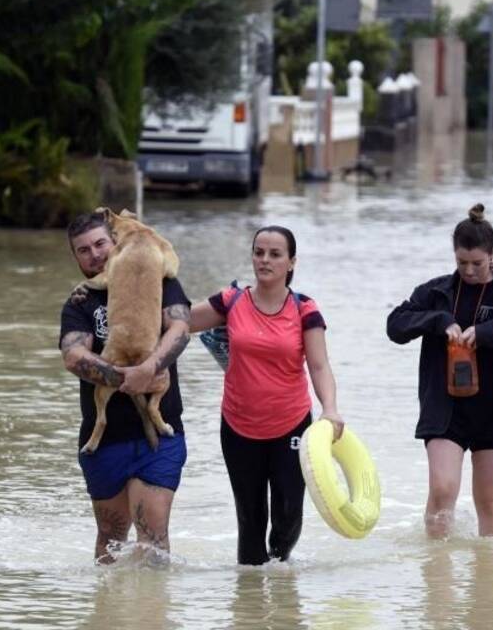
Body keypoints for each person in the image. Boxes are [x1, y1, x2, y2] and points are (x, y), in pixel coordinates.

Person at [386, 204, 493, 539]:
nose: (470, 270)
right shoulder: (436, 292)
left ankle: (488, 582)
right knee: (443, 489)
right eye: (462, 262)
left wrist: (490, 332)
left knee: (489, 500)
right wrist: (439, 320)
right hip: (446, 408)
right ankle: (436, 575)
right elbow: (395, 326)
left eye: (477, 263)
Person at [190, 225, 344, 565]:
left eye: (275, 254)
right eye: (259, 252)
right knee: (250, 521)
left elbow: (319, 366)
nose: (265, 260)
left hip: (291, 426)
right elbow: (179, 321)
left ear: (291, 262)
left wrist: (330, 410)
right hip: (238, 426)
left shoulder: (305, 309)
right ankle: (250, 607)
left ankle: (280, 579)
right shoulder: (231, 301)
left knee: (288, 516)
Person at [59, 211, 191, 564]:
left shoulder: (156, 274)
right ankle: (108, 612)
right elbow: (73, 356)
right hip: (105, 440)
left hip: (160, 438)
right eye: (83, 250)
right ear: (76, 258)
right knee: (111, 539)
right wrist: (124, 378)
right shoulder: (80, 302)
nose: (95, 254)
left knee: (152, 539)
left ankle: (150, 614)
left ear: (115, 241)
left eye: (101, 243)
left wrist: (150, 368)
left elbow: (180, 328)